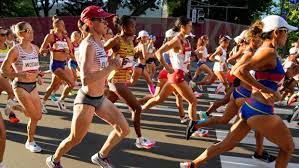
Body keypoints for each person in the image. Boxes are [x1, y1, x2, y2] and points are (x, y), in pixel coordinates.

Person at [180, 15, 297, 168]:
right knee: (288, 148)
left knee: (227, 144)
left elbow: (258, 74)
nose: (287, 36)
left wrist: (273, 87)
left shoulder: (267, 51)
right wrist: (267, 90)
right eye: (286, 32)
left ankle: (192, 165)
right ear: (276, 32)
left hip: (251, 107)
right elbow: (239, 71)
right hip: (260, 110)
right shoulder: (268, 52)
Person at [46, 6, 130, 168]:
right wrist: (110, 67)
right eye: (101, 20)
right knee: (75, 138)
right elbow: (85, 79)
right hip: (87, 100)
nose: (106, 23)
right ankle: (54, 160)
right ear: (90, 23)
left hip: (100, 98)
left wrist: (117, 65)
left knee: (124, 129)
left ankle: (101, 156)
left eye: (106, 19)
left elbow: (100, 68)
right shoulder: (88, 46)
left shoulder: (100, 43)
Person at [104, 15, 156, 149]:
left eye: (134, 26)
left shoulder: (130, 41)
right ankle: (139, 139)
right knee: (137, 108)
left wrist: (137, 54)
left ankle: (85, 110)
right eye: (131, 26)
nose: (134, 28)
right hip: (116, 80)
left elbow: (129, 57)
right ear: (123, 27)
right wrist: (109, 63)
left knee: (102, 106)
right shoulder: (117, 40)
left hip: (123, 80)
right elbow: (100, 52)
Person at [142, 16, 199, 124]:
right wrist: (167, 67)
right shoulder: (176, 40)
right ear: (182, 27)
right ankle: (194, 128)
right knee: (193, 101)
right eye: (189, 26)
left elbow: (183, 59)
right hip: (176, 75)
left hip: (178, 75)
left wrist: (188, 63)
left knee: (158, 99)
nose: (191, 28)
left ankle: (139, 110)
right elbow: (158, 52)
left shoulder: (186, 41)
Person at [1, 21, 44, 153]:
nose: (31, 33)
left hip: (33, 86)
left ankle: (30, 141)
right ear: (20, 34)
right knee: (35, 116)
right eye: (27, 31)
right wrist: (17, 74)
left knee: (37, 116)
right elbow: (3, 70)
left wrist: (39, 75)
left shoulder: (36, 49)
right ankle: (14, 106)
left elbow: (35, 68)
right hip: (20, 86)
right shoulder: (15, 50)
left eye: (31, 30)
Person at [40, 16, 75, 112]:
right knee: (71, 83)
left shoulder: (66, 38)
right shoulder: (50, 36)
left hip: (63, 64)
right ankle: (60, 100)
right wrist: (50, 49)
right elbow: (41, 51)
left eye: (64, 24)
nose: (64, 26)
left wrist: (68, 52)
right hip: (55, 65)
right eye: (61, 24)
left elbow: (71, 54)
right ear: (56, 26)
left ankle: (43, 102)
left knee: (53, 86)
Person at [0, 26, 20, 124]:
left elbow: (11, 62)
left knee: (11, 93)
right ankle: (10, 112)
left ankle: (10, 112)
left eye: (5, 34)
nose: (4, 36)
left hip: (5, 76)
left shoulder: (9, 48)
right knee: (11, 92)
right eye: (2, 34)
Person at [130, 30, 156, 95]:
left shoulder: (140, 45)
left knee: (150, 82)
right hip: (138, 66)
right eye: (144, 37)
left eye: (146, 37)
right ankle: (118, 89)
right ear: (140, 38)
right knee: (131, 82)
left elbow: (135, 53)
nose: (145, 38)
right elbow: (146, 57)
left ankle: (155, 95)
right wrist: (153, 54)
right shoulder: (142, 45)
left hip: (141, 66)